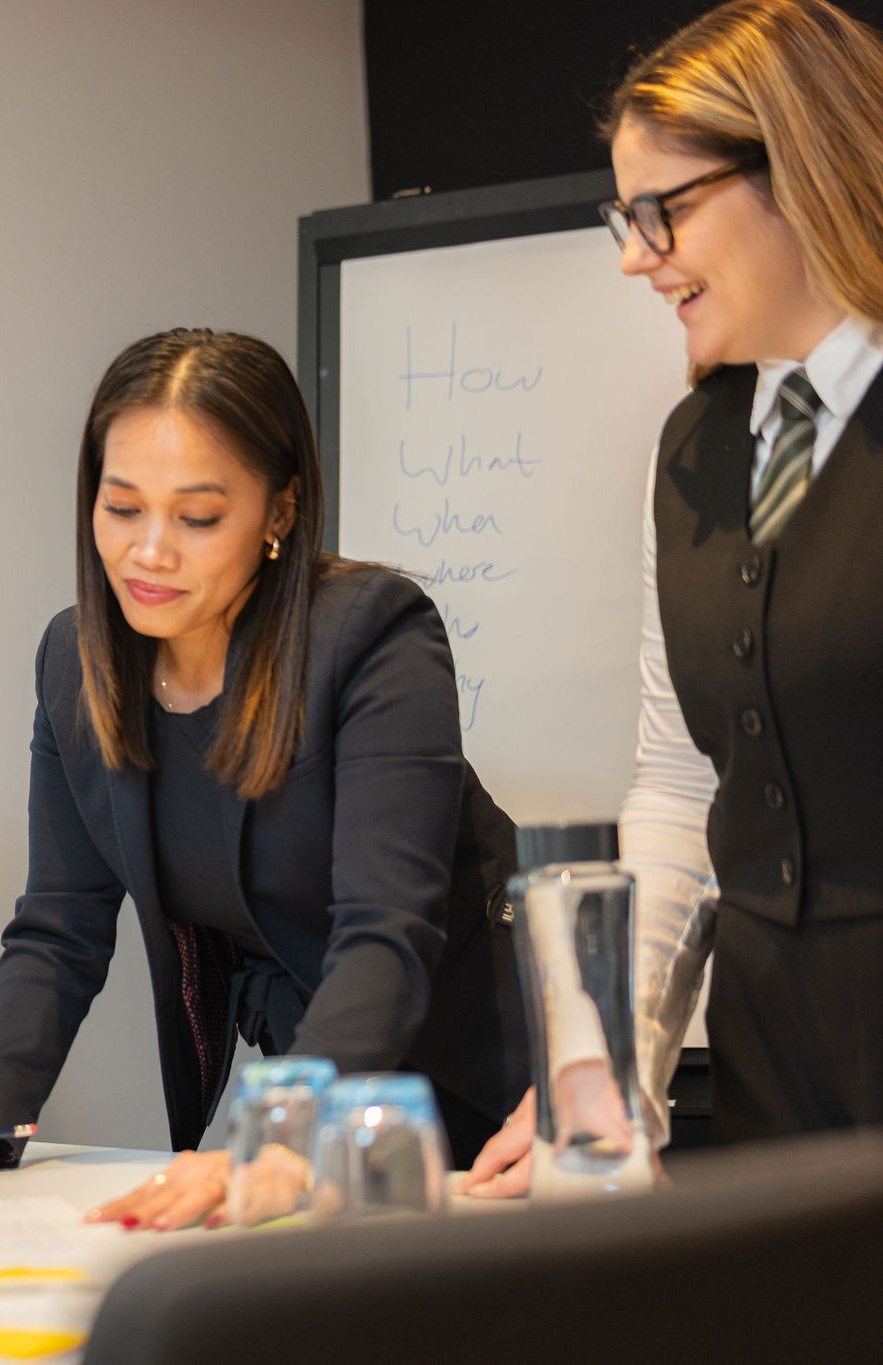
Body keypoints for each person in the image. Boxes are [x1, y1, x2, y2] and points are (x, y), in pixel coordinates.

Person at [0, 329, 528, 1229]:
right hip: (308, 1101)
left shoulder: (374, 637)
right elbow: (59, 929)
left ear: (279, 512)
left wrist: (275, 1140)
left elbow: (385, 936)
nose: (148, 552)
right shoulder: (75, 661)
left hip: (483, 1076)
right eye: (121, 508)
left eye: (197, 518)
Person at [466, 0, 883, 1196]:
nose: (632, 255)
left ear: (797, 168)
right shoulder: (698, 446)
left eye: (661, 211)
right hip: (770, 1074)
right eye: (623, 215)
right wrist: (608, 1063)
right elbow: (681, 780)